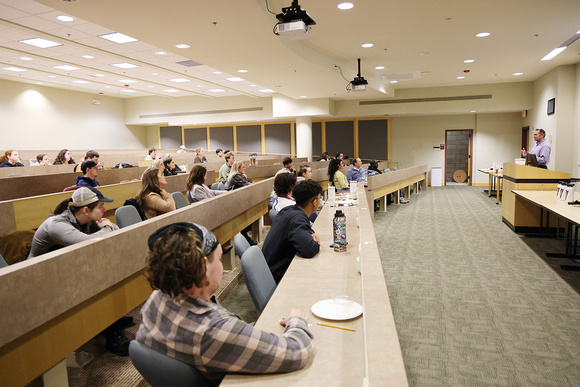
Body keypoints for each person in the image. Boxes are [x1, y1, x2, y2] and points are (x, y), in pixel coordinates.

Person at [136, 222, 314, 385]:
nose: (221, 265)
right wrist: (296, 320)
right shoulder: (212, 329)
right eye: (220, 259)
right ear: (204, 267)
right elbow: (296, 351)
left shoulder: (156, 299)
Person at [27, 187, 130, 355]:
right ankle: (111, 332)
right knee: (98, 282)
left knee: (105, 272)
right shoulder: (57, 225)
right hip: (40, 278)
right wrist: (108, 227)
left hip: (63, 269)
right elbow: (89, 243)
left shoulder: (85, 220)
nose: (104, 210)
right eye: (100, 206)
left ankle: (111, 319)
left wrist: (109, 227)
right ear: (85, 210)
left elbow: (115, 232)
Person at [263, 180, 322, 283]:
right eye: (319, 198)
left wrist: (311, 233)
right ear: (314, 202)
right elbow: (309, 250)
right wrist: (315, 243)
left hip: (269, 268)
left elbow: (304, 228)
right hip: (279, 276)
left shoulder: (289, 210)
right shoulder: (297, 218)